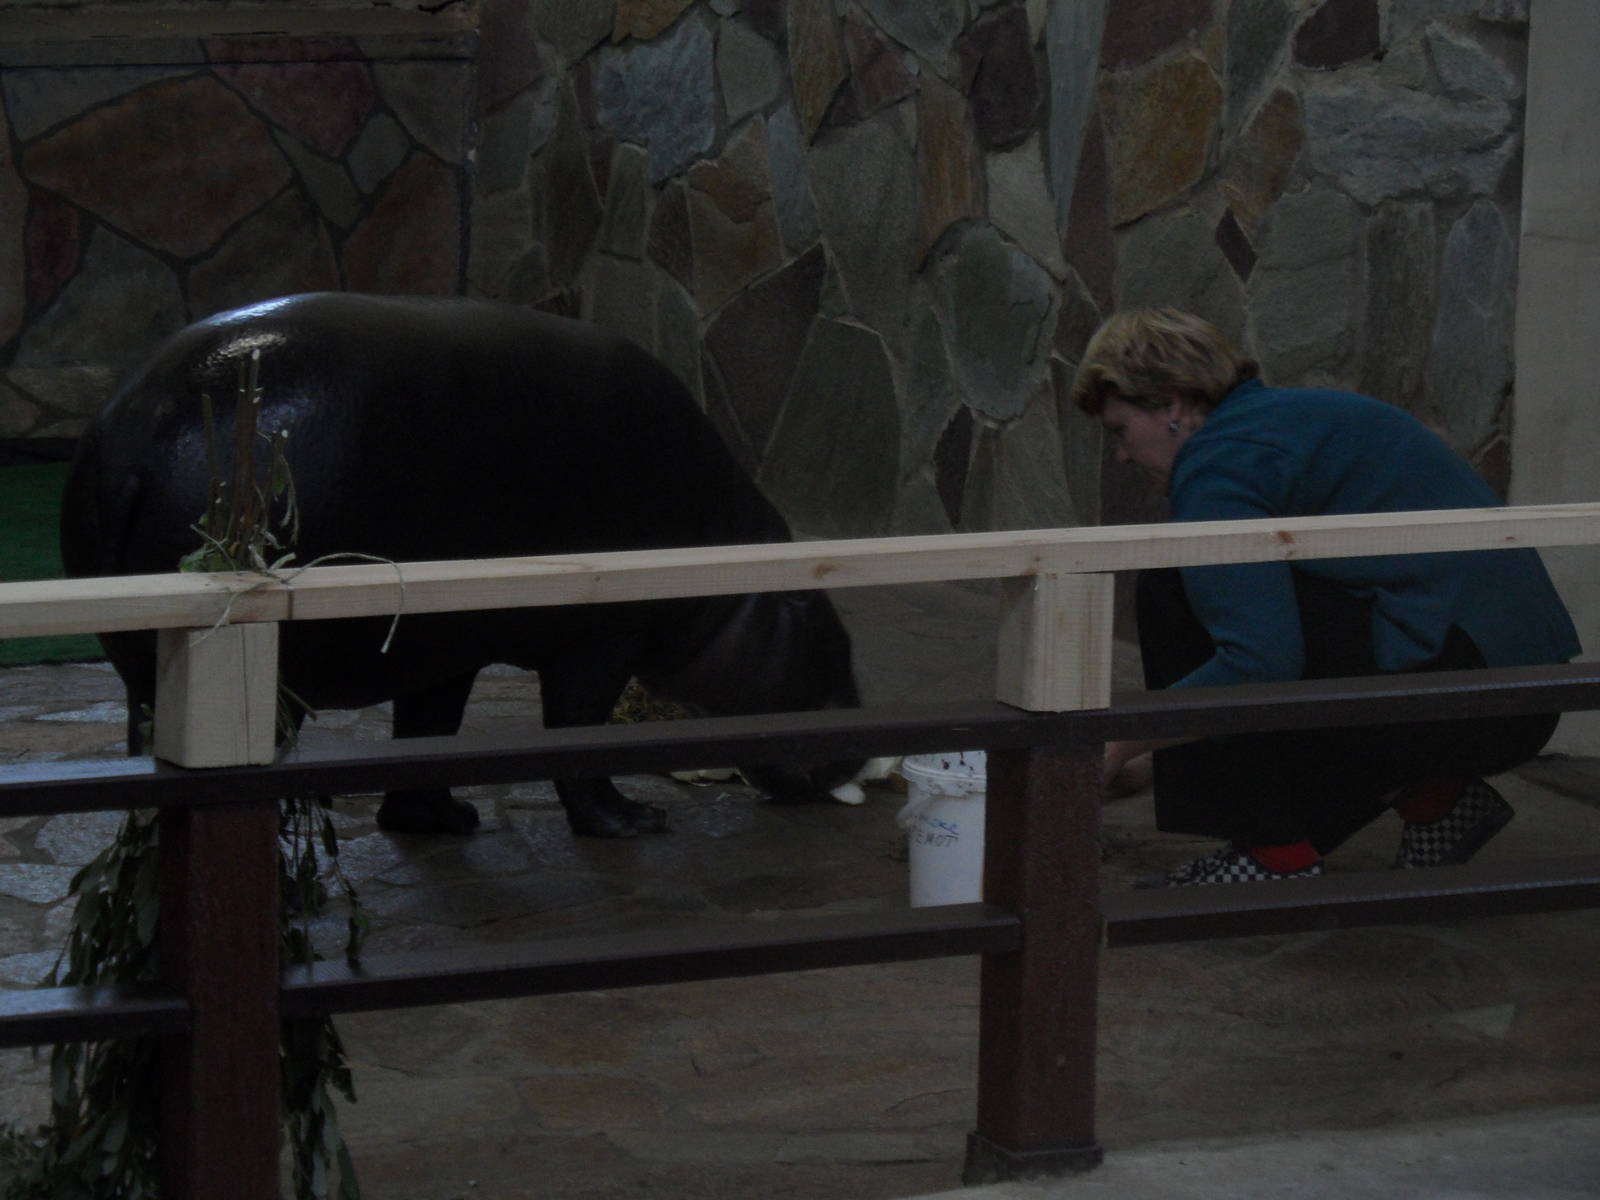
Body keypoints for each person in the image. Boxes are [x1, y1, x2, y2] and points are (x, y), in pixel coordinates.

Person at [1072, 308, 1580, 887]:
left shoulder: (1218, 465)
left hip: (1476, 700)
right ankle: (1436, 798)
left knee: (1177, 593)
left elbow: (1259, 664)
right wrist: (1156, 748)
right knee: (1250, 619)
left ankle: (1274, 855)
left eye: (1120, 431)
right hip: (1523, 692)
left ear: (1172, 404)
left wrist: (1117, 741)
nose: (1121, 456)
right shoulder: (1285, 418)